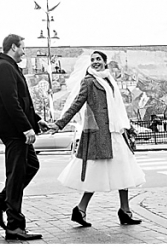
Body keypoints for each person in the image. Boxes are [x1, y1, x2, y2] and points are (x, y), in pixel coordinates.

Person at [47, 51, 145, 227]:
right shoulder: (89, 81)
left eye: (98, 59)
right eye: (92, 60)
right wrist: (59, 124)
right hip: (101, 135)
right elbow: (76, 104)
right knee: (96, 173)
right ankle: (81, 209)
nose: (95, 62)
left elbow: (116, 108)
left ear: (105, 62)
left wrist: (127, 127)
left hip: (116, 132)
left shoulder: (109, 80)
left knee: (124, 170)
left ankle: (124, 210)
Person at [0, 34, 49, 241]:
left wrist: (36, 120)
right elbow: (10, 102)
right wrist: (25, 128)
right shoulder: (3, 67)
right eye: (22, 48)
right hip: (14, 131)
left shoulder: (10, 67)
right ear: (13, 47)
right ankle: (14, 226)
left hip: (17, 129)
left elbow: (22, 101)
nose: (23, 52)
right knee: (16, 175)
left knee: (31, 166)